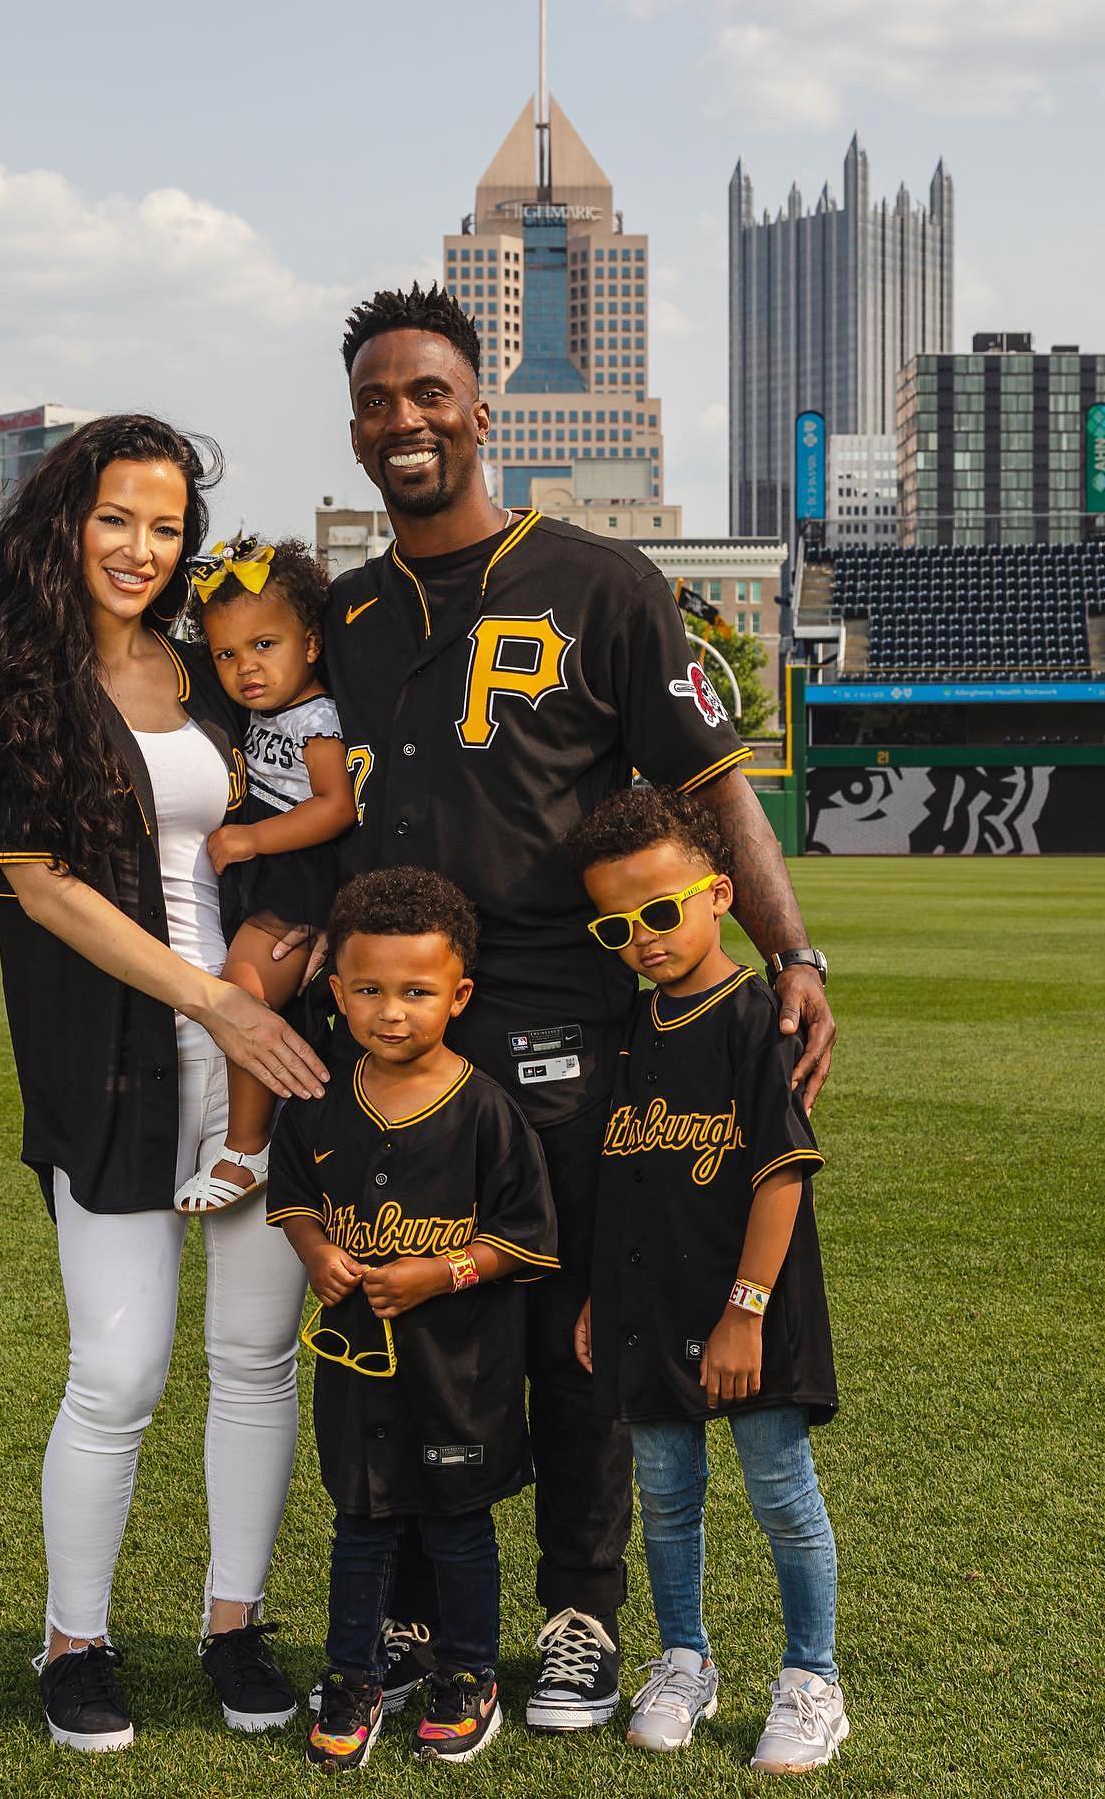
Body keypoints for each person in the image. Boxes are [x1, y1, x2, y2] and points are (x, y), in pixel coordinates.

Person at [284, 282, 837, 1733]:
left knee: (574, 1315)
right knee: (405, 1300)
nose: (404, 419)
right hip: (392, 1016)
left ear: (483, 411)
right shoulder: (342, 613)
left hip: (563, 1009)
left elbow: (716, 784)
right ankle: (409, 1607)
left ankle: (580, 1612)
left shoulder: (600, 583)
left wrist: (797, 956)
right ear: (354, 431)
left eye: (429, 394)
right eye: (378, 401)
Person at [0, 415, 330, 1754]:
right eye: (117, 519)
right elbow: (39, 887)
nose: (142, 550)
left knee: (259, 1358)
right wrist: (209, 996)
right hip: (113, 1055)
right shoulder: (6, 676)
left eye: (165, 527)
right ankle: (74, 1641)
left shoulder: (210, 671)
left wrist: (270, 973)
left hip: (260, 1050)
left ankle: (234, 1623)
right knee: (120, 1370)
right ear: (63, 521)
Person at [565, 784, 846, 1775]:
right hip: (648, 1306)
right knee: (666, 1495)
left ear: (719, 893)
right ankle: (683, 1658)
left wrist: (746, 1312)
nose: (640, 938)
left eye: (658, 911)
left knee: (779, 1491)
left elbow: (781, 1179)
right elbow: (626, 1176)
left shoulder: (755, 1018)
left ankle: (813, 1678)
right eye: (615, 925)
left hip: (749, 1312)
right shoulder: (634, 1028)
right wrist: (604, 1293)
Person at [266, 867, 559, 1770]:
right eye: (368, 990)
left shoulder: (486, 1112)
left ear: (458, 995)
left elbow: (530, 1237)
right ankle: (352, 1676)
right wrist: (316, 1252)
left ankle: (468, 1676)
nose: (391, 1011)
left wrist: (445, 1269)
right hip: (357, 1370)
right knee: (360, 1526)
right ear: (339, 993)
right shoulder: (318, 1100)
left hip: (461, 1374)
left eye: (417, 991)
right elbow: (297, 1197)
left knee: (458, 1529)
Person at [172, 537, 355, 1212]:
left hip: (296, 883)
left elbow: (337, 807)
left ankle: (247, 1148)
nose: (245, 667)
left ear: (310, 644)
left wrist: (251, 838)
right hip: (271, 880)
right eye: (227, 653)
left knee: (240, 992)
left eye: (264, 646)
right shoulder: (259, 713)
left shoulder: (319, 717)